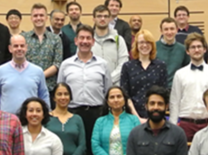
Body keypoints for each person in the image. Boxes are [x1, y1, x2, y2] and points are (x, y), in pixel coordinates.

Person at [58, 25, 113, 155]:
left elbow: (108, 91)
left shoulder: (103, 64)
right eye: (82, 38)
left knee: (95, 149)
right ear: (76, 40)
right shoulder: (66, 64)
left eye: (88, 38)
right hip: (72, 114)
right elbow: (60, 91)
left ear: (93, 41)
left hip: (97, 114)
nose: (85, 41)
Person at [170, 33, 208, 141]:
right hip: (186, 124)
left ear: (204, 49)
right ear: (187, 51)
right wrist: (173, 126)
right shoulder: (179, 74)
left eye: (199, 47)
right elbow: (175, 101)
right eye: (193, 47)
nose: (196, 50)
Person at [127, 85, 189, 155]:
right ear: (146, 106)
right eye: (152, 103)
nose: (156, 107)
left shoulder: (178, 134)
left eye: (160, 104)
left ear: (166, 107)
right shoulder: (135, 134)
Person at [0, 35, 50, 113]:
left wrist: (46, 115)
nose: (19, 48)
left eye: (22, 46)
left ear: (26, 48)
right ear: (10, 49)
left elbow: (44, 96)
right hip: (7, 121)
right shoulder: (0, 71)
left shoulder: (38, 71)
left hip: (31, 120)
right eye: (16, 46)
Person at [122, 30, 168, 119]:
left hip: (156, 114)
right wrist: (137, 117)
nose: (144, 45)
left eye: (148, 42)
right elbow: (126, 95)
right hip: (133, 116)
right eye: (141, 42)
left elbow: (164, 92)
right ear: (136, 45)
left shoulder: (161, 66)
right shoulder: (127, 66)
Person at [23, 3, 63, 101]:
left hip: (50, 88)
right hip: (28, 86)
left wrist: (39, 76)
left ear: (46, 18)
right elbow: (20, 61)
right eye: (35, 16)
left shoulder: (56, 39)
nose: (38, 18)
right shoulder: (23, 38)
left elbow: (57, 64)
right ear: (31, 18)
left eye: (41, 15)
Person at [91, 86, 141, 155]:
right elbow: (95, 145)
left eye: (119, 96)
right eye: (112, 97)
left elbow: (139, 143)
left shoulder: (134, 119)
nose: (116, 100)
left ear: (124, 99)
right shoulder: (100, 121)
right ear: (107, 102)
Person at [45, 83, 87, 155]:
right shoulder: (46, 118)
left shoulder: (77, 119)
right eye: (59, 94)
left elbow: (82, 145)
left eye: (66, 94)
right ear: (54, 97)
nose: (63, 97)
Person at [92, 5, 129, 86]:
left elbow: (123, 64)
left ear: (109, 19)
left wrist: (109, 80)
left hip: (114, 87)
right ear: (93, 19)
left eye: (105, 16)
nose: (102, 19)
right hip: (93, 86)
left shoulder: (119, 40)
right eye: (99, 16)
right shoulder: (87, 41)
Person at [156, 17, 190, 87]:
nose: (169, 32)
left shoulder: (183, 49)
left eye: (172, 29)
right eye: (166, 29)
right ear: (161, 31)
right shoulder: (153, 47)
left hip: (177, 89)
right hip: (158, 89)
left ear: (176, 30)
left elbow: (187, 70)